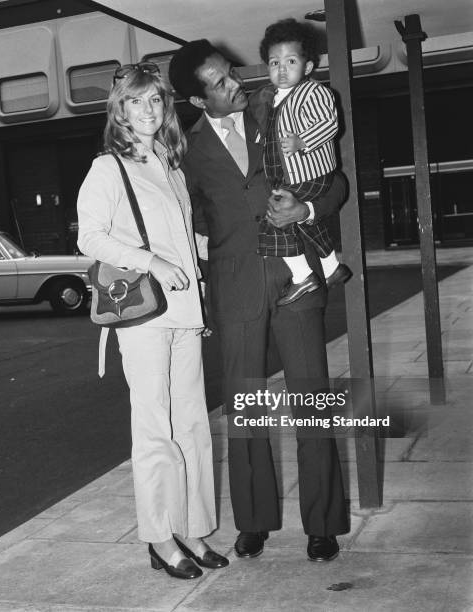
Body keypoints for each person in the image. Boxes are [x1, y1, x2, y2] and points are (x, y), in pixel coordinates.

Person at [169, 41, 349, 562]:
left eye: (232, 74)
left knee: (312, 400)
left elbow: (334, 179)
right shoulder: (188, 149)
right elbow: (188, 222)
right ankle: (253, 521)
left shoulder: (280, 107)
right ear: (200, 101)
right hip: (237, 285)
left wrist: (307, 210)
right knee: (247, 408)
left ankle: (323, 524)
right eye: (220, 84)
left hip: (298, 278)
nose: (236, 85)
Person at [77, 62, 228, 580]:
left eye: (155, 101)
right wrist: (153, 262)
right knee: (154, 428)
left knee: (192, 424)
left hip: (185, 311)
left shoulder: (170, 164)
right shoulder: (108, 168)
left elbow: (182, 237)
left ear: (166, 108)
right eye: (136, 102)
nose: (147, 110)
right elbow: (90, 237)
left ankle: (192, 526)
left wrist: (206, 258)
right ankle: (160, 537)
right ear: (119, 111)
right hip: (143, 313)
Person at [254, 18, 352, 305]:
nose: (282, 70)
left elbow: (329, 124)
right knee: (304, 222)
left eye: (291, 61)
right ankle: (332, 268)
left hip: (308, 173)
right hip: (288, 177)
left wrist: (302, 141)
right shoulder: (271, 99)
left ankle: (303, 277)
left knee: (275, 219)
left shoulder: (314, 91)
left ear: (308, 67)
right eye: (274, 63)